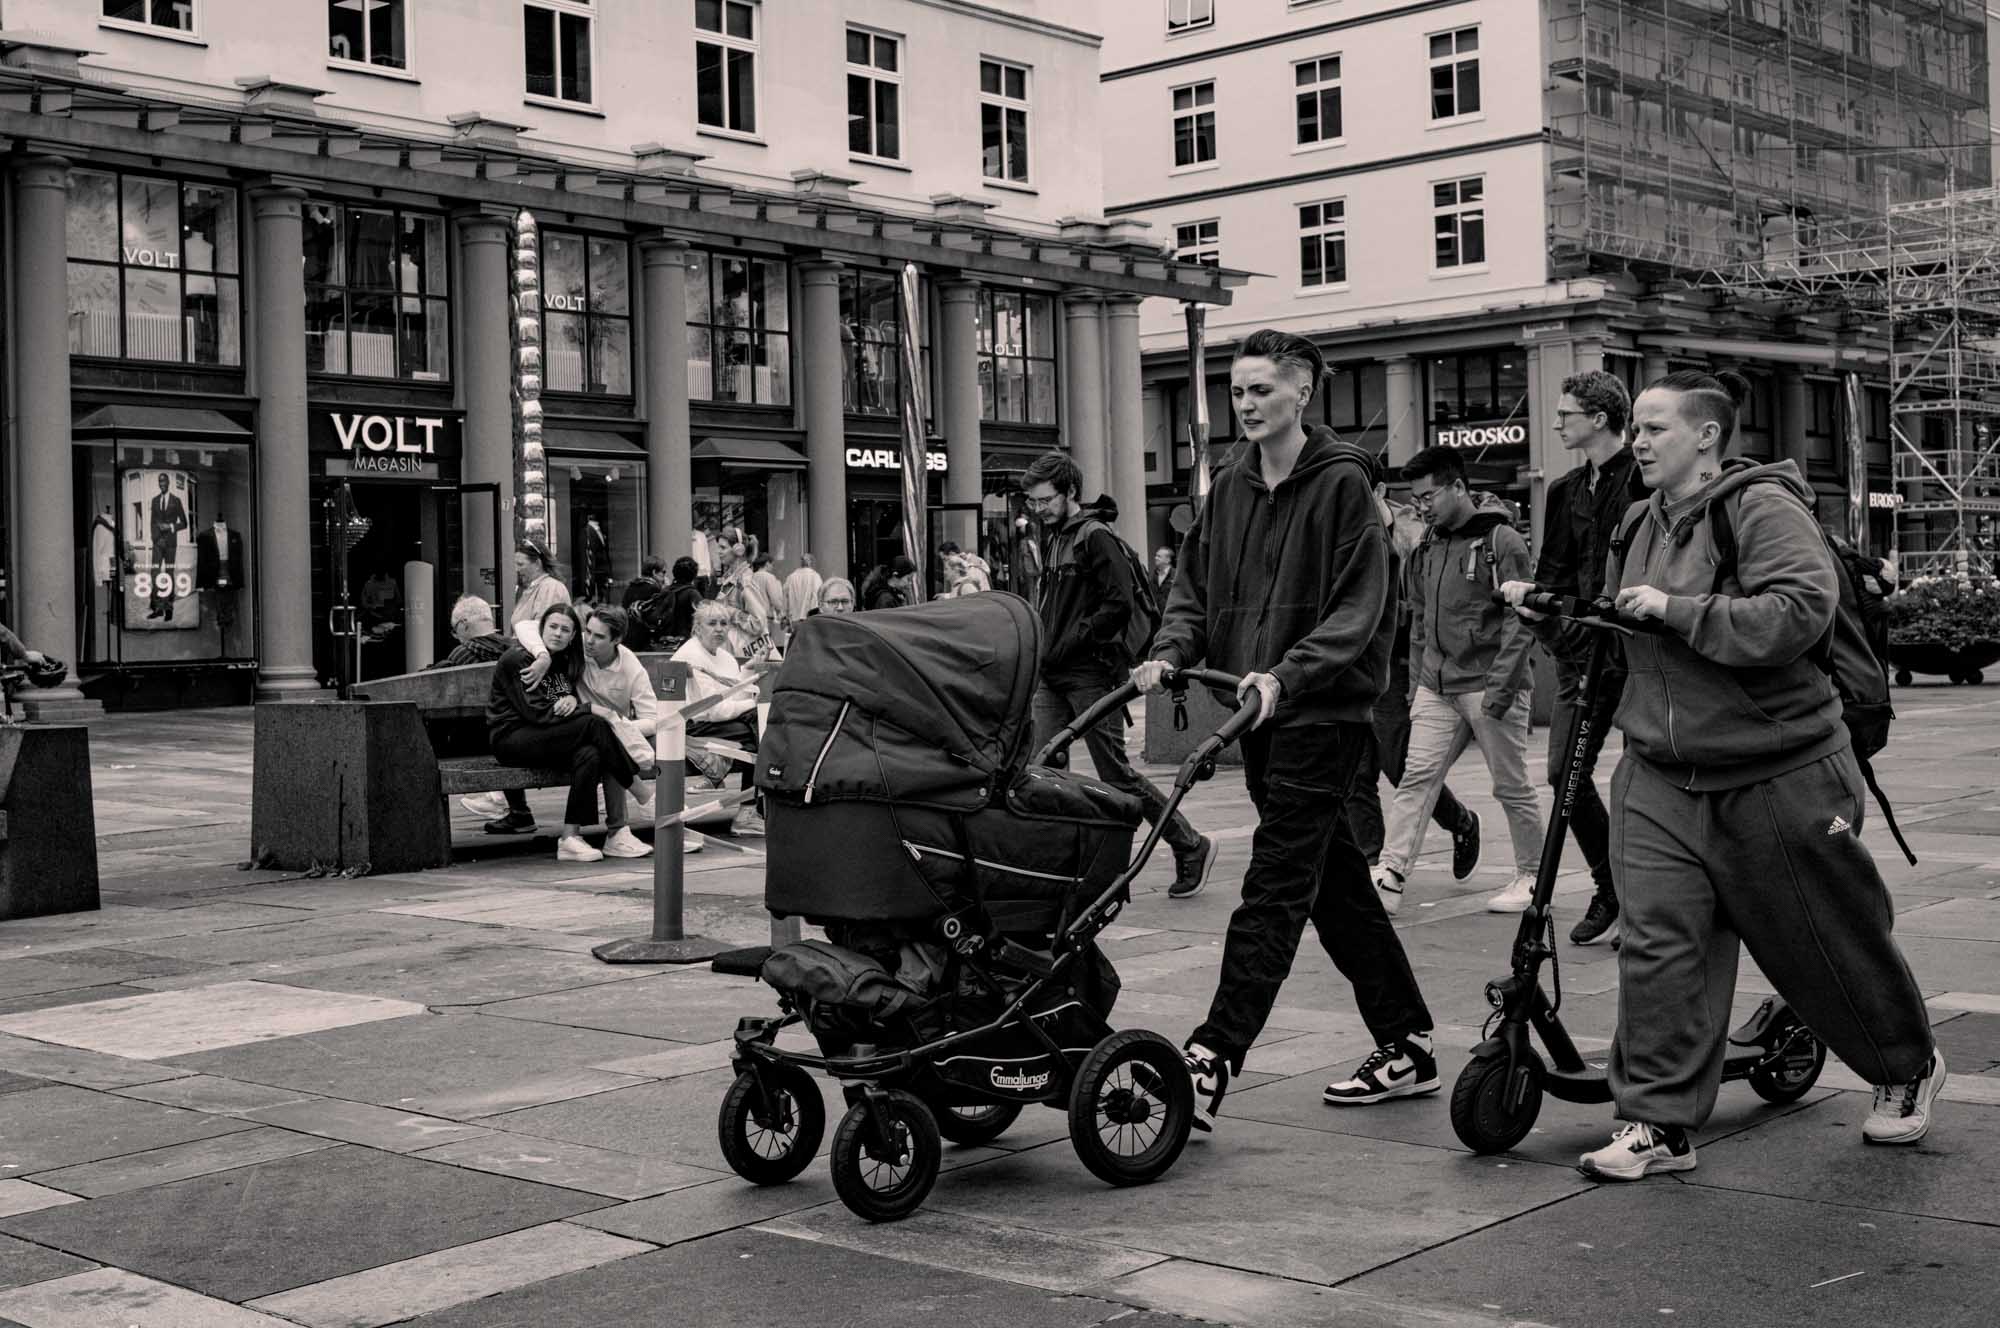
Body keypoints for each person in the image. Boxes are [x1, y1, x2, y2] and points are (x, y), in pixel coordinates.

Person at [1505, 368, 1944, 1180]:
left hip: (1779, 768)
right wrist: (1561, 617)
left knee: (1823, 940)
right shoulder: (1637, 518)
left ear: (1706, 436)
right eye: (1634, 426)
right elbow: (1623, 632)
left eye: (1654, 427)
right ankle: (1659, 1124)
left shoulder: (1762, 506)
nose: (1636, 440)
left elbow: (1798, 612)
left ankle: (1904, 1064)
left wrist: (1679, 611)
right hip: (1663, 771)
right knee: (1660, 947)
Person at [1133, 329, 1436, 1130]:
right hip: (1253, 709)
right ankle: (1407, 1041)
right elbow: (1193, 587)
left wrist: (1288, 673)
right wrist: (1170, 652)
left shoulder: (1343, 486)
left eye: (1263, 389)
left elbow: (1360, 610)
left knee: (1273, 887)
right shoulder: (1230, 486)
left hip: (1323, 711)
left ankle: (1211, 1055)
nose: (1248, 403)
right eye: (1238, 391)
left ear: (1303, 393)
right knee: (1333, 885)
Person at [1023, 450, 1216, 901]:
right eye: (1032, 502)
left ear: (1070, 492)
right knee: (1040, 767)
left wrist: (1071, 642)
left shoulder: (1094, 537)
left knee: (1116, 775)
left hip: (1089, 673)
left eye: (1045, 500)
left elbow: (1119, 605)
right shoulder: (1054, 536)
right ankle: (1061, 865)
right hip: (1053, 674)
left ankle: (1190, 844)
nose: (1038, 509)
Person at [1373, 447, 1543, 915]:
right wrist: (1416, 686)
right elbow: (1421, 617)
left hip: (1489, 684)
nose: (1422, 505)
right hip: (1438, 684)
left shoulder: (1502, 540)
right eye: (1417, 497)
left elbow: (1520, 618)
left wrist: (1501, 689)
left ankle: (1532, 876)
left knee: (1511, 786)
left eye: (1429, 495)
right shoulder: (1430, 543)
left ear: (1458, 488)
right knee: (1416, 777)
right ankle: (1391, 871)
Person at [1538, 370, 1647, 946]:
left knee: (1642, 783)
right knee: (1565, 774)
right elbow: (1550, 573)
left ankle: (1644, 902)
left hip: (1635, 654)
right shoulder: (1564, 490)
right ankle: (1612, 886)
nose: (1557, 422)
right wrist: (1552, 628)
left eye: (1566, 413)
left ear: (1599, 419)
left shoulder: (1642, 481)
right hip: (1580, 656)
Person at [1343, 487, 1482, 903]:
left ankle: (1460, 821)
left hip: (1400, 661)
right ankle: (1372, 864)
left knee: (1397, 762)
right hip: (1355, 661)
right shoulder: (1344, 532)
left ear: (1380, 491)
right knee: (1357, 769)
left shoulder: (1412, 531)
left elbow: (1424, 605)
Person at [486, 603, 642, 863]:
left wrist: (571, 699)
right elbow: (537, 712)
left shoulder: (564, 659)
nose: (557, 633)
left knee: (590, 753)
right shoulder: (520, 659)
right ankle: (640, 790)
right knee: (595, 724)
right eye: (553, 627)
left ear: (573, 637)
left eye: (565, 629)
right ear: (542, 628)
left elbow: (558, 701)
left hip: (546, 736)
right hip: (512, 738)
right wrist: (586, 708)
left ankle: (570, 837)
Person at [441, 596, 541, 835]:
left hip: (484, 741)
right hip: (527, 733)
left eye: (456, 630)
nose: (457, 635)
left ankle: (519, 812)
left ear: (464, 625)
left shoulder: (464, 653)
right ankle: (519, 812)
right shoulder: (519, 648)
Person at [577, 606, 668, 858]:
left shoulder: (629, 664)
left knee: (665, 743)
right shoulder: (576, 652)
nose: (589, 640)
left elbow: (652, 717)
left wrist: (619, 724)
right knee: (606, 743)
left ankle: (671, 822)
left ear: (616, 640)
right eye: (587, 631)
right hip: (578, 729)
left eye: (599, 636)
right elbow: (527, 627)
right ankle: (623, 827)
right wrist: (542, 656)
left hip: (615, 732)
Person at [673, 601, 765, 838]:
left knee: (760, 731)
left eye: (724, 623)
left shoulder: (725, 657)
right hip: (693, 725)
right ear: (697, 628)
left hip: (723, 723)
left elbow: (733, 697)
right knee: (762, 731)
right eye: (711, 623)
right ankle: (750, 811)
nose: (719, 629)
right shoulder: (690, 655)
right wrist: (754, 704)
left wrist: (747, 672)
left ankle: (750, 811)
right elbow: (713, 710)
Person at [147, 472, 187, 621]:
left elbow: (184, 523)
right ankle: (157, 608)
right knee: (155, 574)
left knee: (169, 574)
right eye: (159, 482)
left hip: (171, 544)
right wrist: (156, 539)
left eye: (164, 481)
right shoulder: (155, 500)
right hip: (158, 543)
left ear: (168, 483)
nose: (161, 484)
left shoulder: (176, 501)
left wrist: (170, 526)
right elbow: (152, 523)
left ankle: (168, 609)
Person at [512, 541, 570, 631]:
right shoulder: (533, 588)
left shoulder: (550, 588)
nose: (516, 569)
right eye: (515, 564)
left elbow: (542, 628)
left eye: (520, 564)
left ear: (537, 564)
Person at [618, 555, 671, 652]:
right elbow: (659, 618)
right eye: (663, 572)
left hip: (628, 638)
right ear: (654, 572)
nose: (665, 576)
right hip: (645, 641)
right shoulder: (654, 589)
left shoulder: (631, 587)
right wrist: (666, 590)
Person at [751, 553, 789, 645]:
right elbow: (775, 599)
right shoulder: (769, 577)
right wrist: (782, 613)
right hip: (765, 617)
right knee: (765, 645)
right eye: (772, 564)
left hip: (752, 616)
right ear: (767, 563)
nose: (772, 567)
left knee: (754, 644)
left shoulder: (751, 577)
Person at [783, 554, 825, 626]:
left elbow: (784, 596)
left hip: (794, 618)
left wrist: (786, 614)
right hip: (809, 617)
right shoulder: (815, 576)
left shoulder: (791, 577)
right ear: (810, 562)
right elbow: (818, 596)